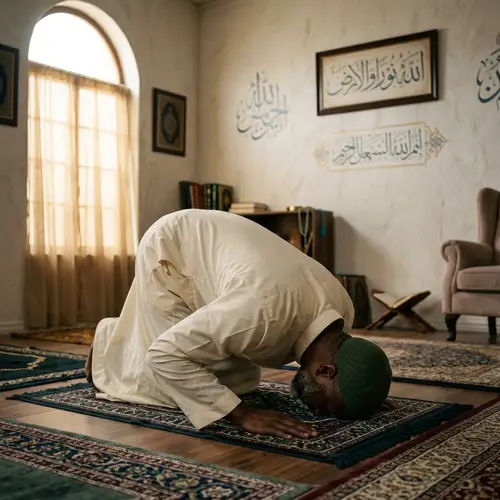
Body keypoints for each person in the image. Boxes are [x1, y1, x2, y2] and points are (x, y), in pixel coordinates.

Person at [86, 209, 392, 439]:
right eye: (327, 405)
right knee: (166, 389)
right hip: (172, 251)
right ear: (326, 370)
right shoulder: (263, 315)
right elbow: (164, 354)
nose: (319, 412)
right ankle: (108, 339)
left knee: (237, 384)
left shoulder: (343, 312)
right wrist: (244, 416)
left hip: (223, 263)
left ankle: (130, 330)